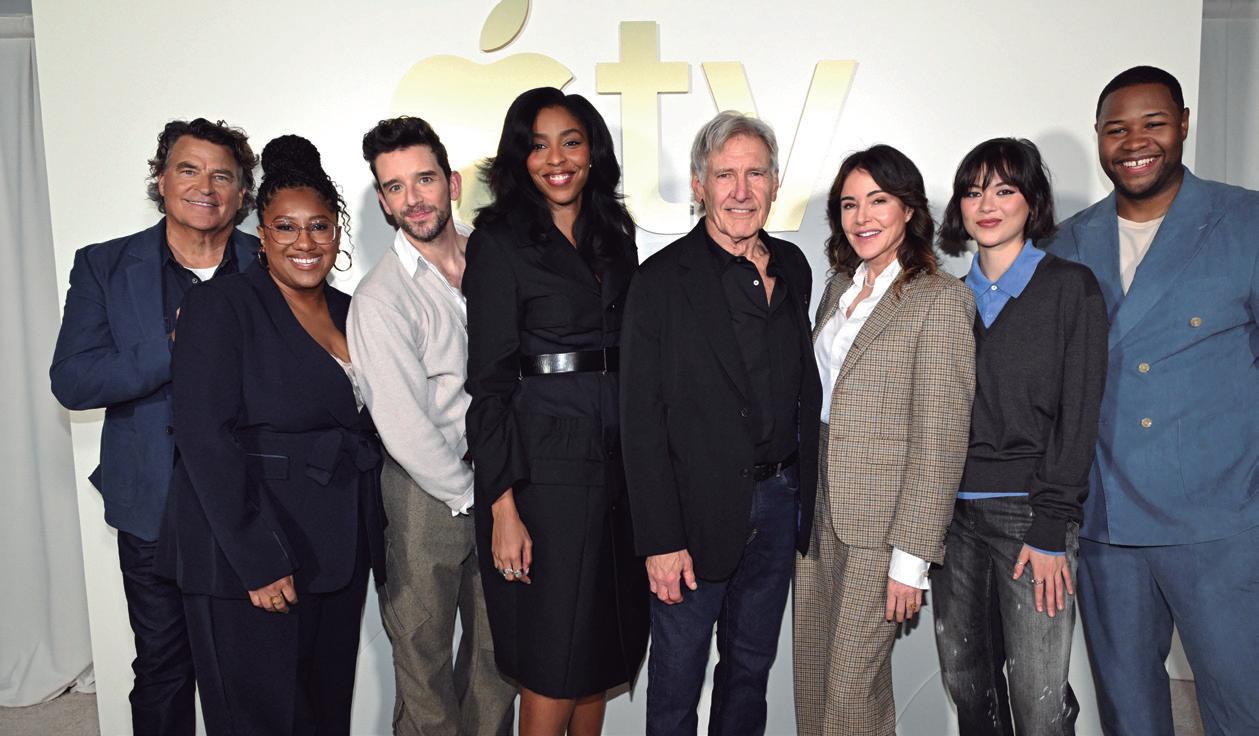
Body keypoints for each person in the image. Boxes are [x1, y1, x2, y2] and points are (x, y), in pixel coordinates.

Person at [1045, 65, 1259, 736]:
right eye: (1116, 129)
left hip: (1220, 524)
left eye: (1153, 123)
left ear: (1183, 124)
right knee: (1129, 715)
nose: (1134, 142)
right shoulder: (1066, 242)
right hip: (1107, 526)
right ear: (1098, 138)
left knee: (1241, 707)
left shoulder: (1244, 221)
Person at [157, 135, 386, 734]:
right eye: (285, 227)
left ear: (337, 233)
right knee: (260, 721)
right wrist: (257, 561)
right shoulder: (220, 306)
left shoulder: (352, 310)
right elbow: (204, 439)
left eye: (319, 227)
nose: (304, 242)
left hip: (338, 549)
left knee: (324, 716)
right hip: (249, 554)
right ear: (261, 234)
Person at [50, 118, 258, 736]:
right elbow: (73, 380)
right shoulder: (104, 266)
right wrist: (176, 347)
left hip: (254, 501)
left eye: (222, 175)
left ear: (242, 193)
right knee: (164, 667)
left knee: (255, 670)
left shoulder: (271, 257)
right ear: (161, 180)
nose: (205, 187)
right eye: (188, 170)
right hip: (152, 505)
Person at [620, 111, 822, 736]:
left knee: (749, 676)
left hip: (778, 503)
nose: (741, 190)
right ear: (698, 184)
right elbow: (640, 420)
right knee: (676, 690)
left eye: (755, 173)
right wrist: (659, 539)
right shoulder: (659, 281)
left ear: (775, 183)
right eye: (724, 174)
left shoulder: (793, 267)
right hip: (691, 517)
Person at [463, 87, 648, 736]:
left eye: (570, 142)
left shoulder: (614, 233)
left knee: (598, 652)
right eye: (538, 146)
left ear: (592, 151)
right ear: (520, 159)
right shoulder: (498, 242)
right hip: (542, 479)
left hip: (618, 472)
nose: (556, 159)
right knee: (552, 660)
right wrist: (503, 506)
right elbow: (488, 385)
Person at [793, 144, 975, 736]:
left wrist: (911, 558)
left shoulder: (940, 299)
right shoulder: (839, 289)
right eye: (849, 204)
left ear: (908, 210)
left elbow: (941, 440)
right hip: (818, 514)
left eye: (878, 200)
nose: (862, 217)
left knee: (852, 691)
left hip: (883, 527)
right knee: (815, 680)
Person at [933, 138, 1108, 735]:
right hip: (951, 520)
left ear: (1032, 201)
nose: (987, 205)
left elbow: (1080, 413)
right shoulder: (948, 299)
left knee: (1038, 700)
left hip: (1030, 517)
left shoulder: (1071, 288)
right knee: (969, 689)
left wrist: (1052, 525)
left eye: (1004, 189)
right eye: (973, 191)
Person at [349, 116, 516, 735]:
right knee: (423, 659)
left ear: (452, 183)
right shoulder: (380, 297)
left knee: (498, 654)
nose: (413, 198)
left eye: (423, 179)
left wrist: (502, 491)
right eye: (395, 187)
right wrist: (478, 496)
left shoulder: (497, 258)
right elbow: (402, 425)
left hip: (501, 481)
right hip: (425, 493)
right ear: (383, 201)